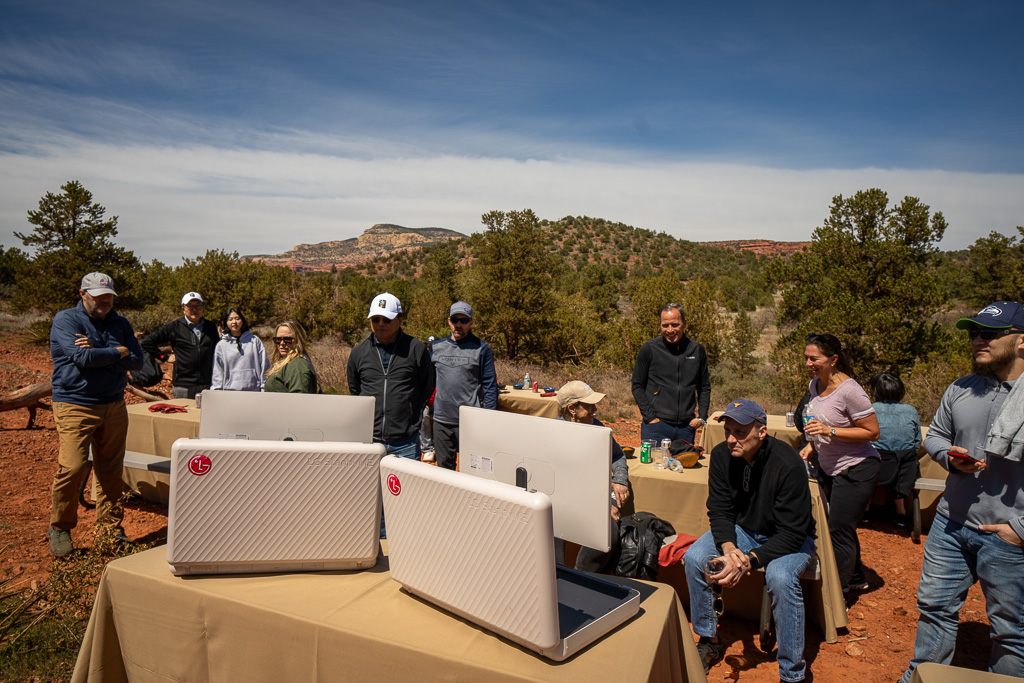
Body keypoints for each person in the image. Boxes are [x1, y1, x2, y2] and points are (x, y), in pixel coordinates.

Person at [899, 302, 1024, 682]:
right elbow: (936, 435)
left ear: (1021, 342)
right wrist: (950, 459)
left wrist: (1019, 529)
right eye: (974, 334)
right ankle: (923, 676)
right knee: (934, 608)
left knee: (1011, 631)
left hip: (1008, 537)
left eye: (989, 333)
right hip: (950, 525)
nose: (977, 341)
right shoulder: (961, 388)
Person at [683, 399, 816, 681]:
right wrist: (730, 548)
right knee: (695, 557)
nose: (732, 439)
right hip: (744, 530)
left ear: (761, 432)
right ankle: (708, 640)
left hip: (788, 537)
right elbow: (719, 509)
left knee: (780, 578)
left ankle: (792, 673)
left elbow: (793, 532)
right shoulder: (721, 456)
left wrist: (748, 560)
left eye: (740, 432)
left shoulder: (787, 462)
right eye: (728, 431)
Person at [47, 272, 144, 556]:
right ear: (83, 294)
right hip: (75, 403)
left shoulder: (120, 322)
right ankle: (60, 527)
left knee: (111, 469)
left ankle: (110, 528)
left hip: (114, 404)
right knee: (74, 466)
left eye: (109, 297)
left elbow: (137, 362)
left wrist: (104, 353)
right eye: (99, 297)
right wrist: (119, 352)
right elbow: (82, 358)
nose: (105, 302)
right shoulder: (67, 320)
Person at [799, 333, 880, 597]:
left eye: (815, 358)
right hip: (829, 466)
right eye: (806, 358)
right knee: (841, 525)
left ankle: (839, 595)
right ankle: (856, 575)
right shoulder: (815, 385)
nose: (809, 363)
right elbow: (820, 423)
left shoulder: (851, 391)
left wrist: (829, 431)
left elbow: (872, 432)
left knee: (838, 529)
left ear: (833, 359)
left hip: (857, 467)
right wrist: (813, 444)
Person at [554, 380, 631, 574]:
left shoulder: (596, 426)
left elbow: (617, 454)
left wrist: (619, 479)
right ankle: (557, 576)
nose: (595, 409)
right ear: (572, 408)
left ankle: (583, 574)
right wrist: (598, 506)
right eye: (589, 405)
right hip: (562, 498)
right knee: (551, 526)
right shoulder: (554, 433)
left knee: (608, 532)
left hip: (591, 496)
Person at [347, 292, 434, 459]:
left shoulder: (415, 349)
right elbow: (355, 391)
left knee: (406, 486)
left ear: (400, 320)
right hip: (369, 441)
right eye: (375, 319)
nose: (381, 324)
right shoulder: (358, 353)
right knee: (368, 486)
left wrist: (411, 416)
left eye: (386, 319)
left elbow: (426, 386)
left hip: (406, 442)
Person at [631, 303, 711, 448]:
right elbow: (637, 386)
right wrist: (650, 417)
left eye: (675, 325)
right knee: (653, 469)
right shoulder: (650, 349)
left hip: (686, 428)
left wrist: (702, 417)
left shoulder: (696, 350)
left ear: (684, 324)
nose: (670, 330)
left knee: (683, 469)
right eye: (665, 325)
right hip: (656, 427)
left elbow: (704, 386)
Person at [430, 302, 498, 470]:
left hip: (470, 422)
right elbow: (428, 380)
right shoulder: (436, 348)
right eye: (455, 319)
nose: (459, 324)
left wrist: (489, 417)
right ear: (449, 321)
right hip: (441, 421)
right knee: (444, 470)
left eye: (464, 320)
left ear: (471, 323)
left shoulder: (481, 348)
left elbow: (490, 385)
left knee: (474, 470)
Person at [868, 372, 921, 528]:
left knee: (866, 463)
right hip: (904, 467)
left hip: (876, 465)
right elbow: (917, 442)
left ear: (876, 391)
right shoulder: (911, 411)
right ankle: (901, 512)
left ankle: (865, 509)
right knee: (904, 462)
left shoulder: (870, 409)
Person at [141, 291, 217, 398]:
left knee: (206, 414)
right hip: (184, 384)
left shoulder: (210, 327)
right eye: (190, 306)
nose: (194, 309)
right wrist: (164, 357)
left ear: (202, 307)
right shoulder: (174, 327)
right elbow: (147, 343)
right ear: (183, 308)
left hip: (207, 382)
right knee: (184, 414)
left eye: (198, 305)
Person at [211, 308, 269, 392]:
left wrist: (264, 387)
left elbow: (264, 365)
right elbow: (217, 372)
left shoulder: (254, 341)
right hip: (230, 392)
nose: (234, 322)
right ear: (226, 323)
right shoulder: (221, 345)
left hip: (253, 391)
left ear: (242, 320)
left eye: (237, 318)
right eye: (230, 319)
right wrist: (217, 391)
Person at [264, 320, 318, 393]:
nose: (282, 343)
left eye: (287, 339)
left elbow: (298, 398)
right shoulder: (286, 363)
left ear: (298, 340)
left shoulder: (297, 364)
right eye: (278, 339)